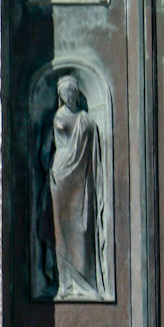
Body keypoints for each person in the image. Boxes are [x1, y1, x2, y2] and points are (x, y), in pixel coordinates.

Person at [39, 76, 105, 298]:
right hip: (59, 178)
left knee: (82, 229)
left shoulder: (86, 120)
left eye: (72, 91)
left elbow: (94, 152)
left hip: (80, 180)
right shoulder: (54, 118)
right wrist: (49, 170)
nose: (69, 95)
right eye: (65, 92)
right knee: (60, 231)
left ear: (77, 93)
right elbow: (46, 149)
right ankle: (64, 284)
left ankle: (85, 283)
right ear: (60, 95)